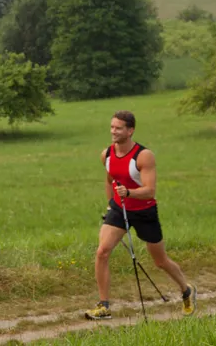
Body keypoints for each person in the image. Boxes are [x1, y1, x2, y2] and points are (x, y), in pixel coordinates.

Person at [84, 110, 197, 320]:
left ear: (130, 130)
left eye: (118, 128)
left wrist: (129, 192)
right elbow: (110, 180)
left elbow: (150, 190)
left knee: (160, 261)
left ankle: (186, 290)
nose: (113, 131)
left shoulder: (143, 156)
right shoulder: (106, 154)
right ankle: (104, 306)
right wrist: (111, 205)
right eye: (112, 127)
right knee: (102, 252)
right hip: (120, 210)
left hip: (144, 211)